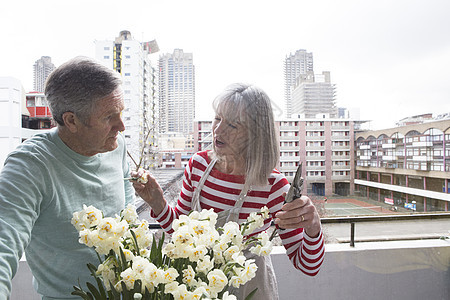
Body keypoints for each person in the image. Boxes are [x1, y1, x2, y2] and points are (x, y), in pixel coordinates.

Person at [133, 83, 325, 300]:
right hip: (197, 287)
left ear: (255, 135)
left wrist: (313, 225)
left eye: (233, 125)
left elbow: (308, 266)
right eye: (217, 118)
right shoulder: (198, 166)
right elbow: (180, 232)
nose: (218, 130)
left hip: (249, 291)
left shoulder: (274, 186)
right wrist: (157, 203)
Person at [0, 57, 135, 299]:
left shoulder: (116, 146)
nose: (121, 126)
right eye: (108, 117)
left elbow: (128, 214)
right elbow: (3, 241)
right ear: (71, 120)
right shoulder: (30, 165)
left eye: (121, 112)